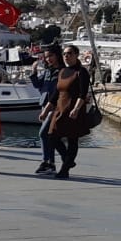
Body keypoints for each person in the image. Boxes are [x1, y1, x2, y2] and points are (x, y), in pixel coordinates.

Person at [42, 45, 92, 179]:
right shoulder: (62, 71)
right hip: (60, 108)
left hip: (73, 109)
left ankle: (65, 170)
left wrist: (76, 109)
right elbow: (55, 94)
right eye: (64, 54)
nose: (66, 56)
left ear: (76, 55)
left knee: (72, 139)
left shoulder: (81, 72)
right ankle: (68, 160)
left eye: (69, 53)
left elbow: (82, 94)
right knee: (51, 136)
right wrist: (46, 110)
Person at [33, 42, 63, 175]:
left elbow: (58, 91)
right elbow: (38, 85)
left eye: (51, 56)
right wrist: (33, 72)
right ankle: (51, 163)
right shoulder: (47, 71)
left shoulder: (61, 71)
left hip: (54, 107)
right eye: (46, 57)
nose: (48, 59)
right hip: (45, 104)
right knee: (50, 136)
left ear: (57, 55)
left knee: (43, 134)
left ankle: (47, 161)